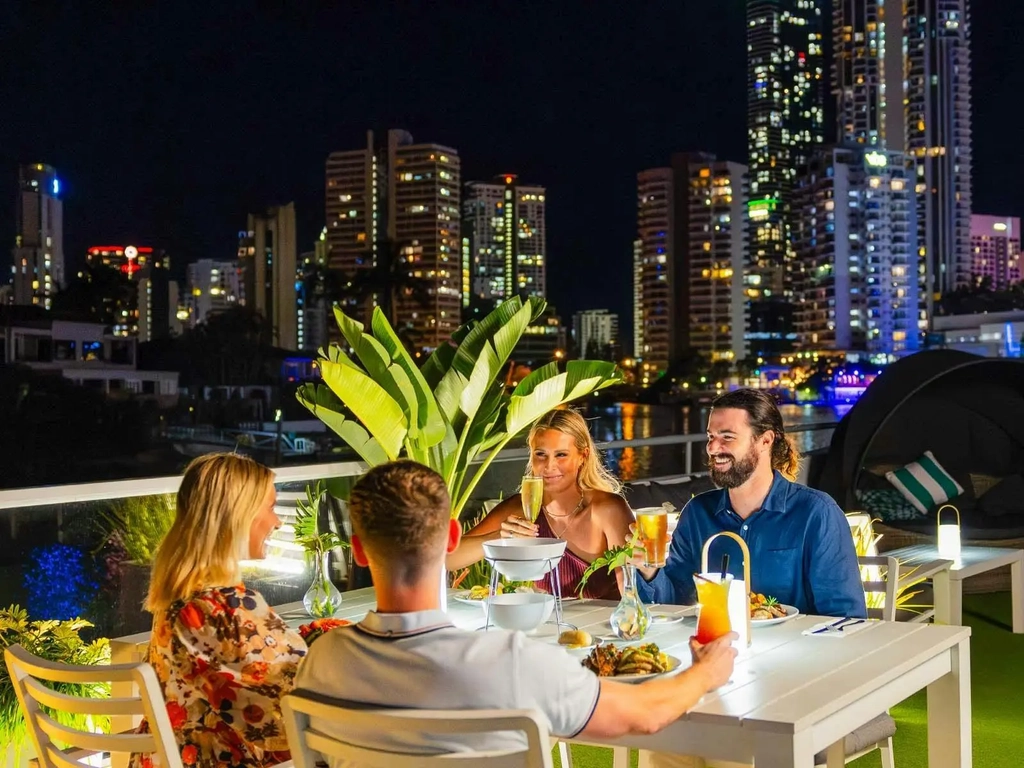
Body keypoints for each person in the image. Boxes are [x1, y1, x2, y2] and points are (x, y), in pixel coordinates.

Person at [294, 460, 736, 761]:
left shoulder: (322, 661)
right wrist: (705, 673)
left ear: (359, 552)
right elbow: (644, 714)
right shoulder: (508, 662)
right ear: (452, 538)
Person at [129, 453, 307, 768]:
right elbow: (286, 707)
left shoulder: (177, 599)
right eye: (269, 507)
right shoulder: (225, 606)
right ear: (237, 515)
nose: (278, 521)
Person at [633, 388, 866, 619]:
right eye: (711, 437)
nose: (713, 448)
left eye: (727, 437)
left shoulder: (816, 514)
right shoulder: (697, 514)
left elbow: (846, 616)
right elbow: (674, 601)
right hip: (717, 649)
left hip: (796, 651)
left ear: (765, 440)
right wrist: (649, 570)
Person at [446, 408, 634, 598]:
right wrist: (499, 536)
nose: (549, 466)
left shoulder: (607, 510)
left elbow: (632, 593)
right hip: (545, 623)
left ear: (582, 456)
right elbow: (448, 559)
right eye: (540, 454)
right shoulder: (521, 509)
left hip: (600, 626)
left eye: (561, 455)